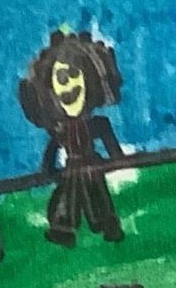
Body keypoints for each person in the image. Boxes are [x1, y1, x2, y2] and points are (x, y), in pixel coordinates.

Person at [17, 29, 127, 245]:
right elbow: (52, 151)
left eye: (75, 75)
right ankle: (64, 228)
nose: (68, 86)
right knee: (70, 196)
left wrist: (116, 160)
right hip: (72, 169)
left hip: (92, 166)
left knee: (98, 197)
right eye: (61, 79)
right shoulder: (61, 131)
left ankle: (106, 224)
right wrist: (47, 170)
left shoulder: (98, 124)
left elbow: (113, 148)